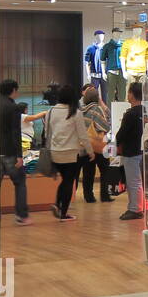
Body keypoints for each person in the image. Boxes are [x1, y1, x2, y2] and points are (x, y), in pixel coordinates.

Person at [43, 84, 92, 221]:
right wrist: (90, 151)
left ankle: (57, 206)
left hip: (54, 151)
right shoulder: (76, 113)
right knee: (68, 181)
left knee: (65, 181)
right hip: (70, 153)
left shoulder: (51, 111)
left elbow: (47, 132)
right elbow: (83, 136)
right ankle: (63, 213)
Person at [0, 79, 44, 226]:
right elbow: (15, 132)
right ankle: (21, 215)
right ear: (13, 90)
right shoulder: (13, 107)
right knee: (20, 183)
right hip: (10, 152)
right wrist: (19, 155)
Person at [79, 86, 114, 204]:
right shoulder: (97, 109)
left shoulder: (82, 110)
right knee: (105, 171)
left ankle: (88, 196)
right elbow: (105, 126)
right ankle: (104, 195)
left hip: (86, 146)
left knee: (88, 172)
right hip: (98, 146)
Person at [116, 81, 145, 220]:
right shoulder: (143, 111)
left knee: (133, 181)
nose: (127, 95)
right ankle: (137, 207)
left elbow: (122, 133)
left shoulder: (130, 114)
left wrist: (116, 141)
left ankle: (135, 208)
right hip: (141, 150)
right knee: (137, 180)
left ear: (132, 95)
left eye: (128, 92)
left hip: (130, 151)